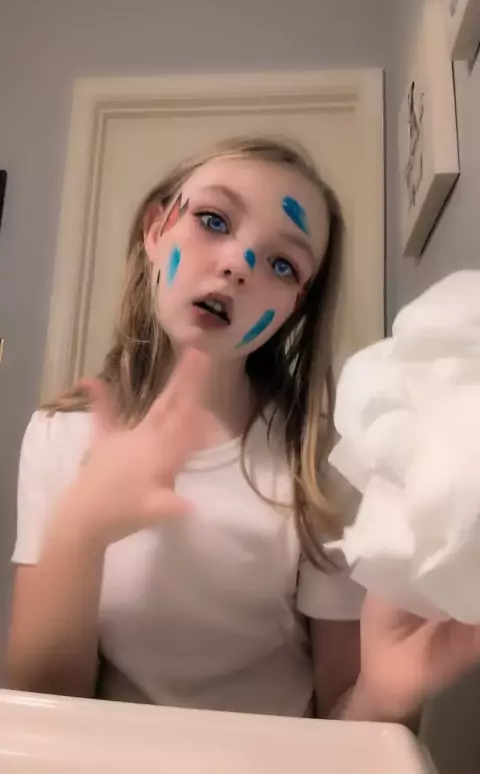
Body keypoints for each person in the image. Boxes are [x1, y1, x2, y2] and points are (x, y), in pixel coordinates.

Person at [7, 137, 480, 721]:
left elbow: (345, 730)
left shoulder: (320, 464)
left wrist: (383, 695)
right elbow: (41, 711)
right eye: (213, 220)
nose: (237, 265)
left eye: (283, 264)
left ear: (294, 308)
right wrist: (80, 530)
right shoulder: (58, 436)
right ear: (155, 231)